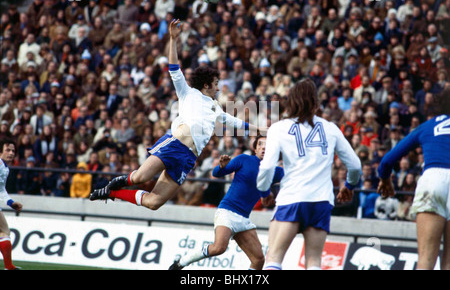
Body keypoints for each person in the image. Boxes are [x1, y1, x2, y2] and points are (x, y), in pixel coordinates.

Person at [90, 19, 264, 211]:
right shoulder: (188, 93)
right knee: (139, 178)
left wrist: (261, 129)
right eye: (215, 83)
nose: (217, 87)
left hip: (188, 158)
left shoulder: (216, 108)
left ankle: (111, 193)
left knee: (154, 202)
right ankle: (121, 180)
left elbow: (236, 122)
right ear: (206, 85)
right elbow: (174, 69)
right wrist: (173, 40)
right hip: (175, 144)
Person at [257, 79, 362, 270]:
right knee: (314, 261)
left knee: (273, 258)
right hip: (321, 201)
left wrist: (265, 193)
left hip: (292, 198)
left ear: (292, 102)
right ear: (315, 103)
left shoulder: (279, 128)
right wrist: (349, 186)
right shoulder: (331, 128)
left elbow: (266, 168)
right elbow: (355, 165)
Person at [169, 135, 284, 270]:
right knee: (219, 248)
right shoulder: (243, 159)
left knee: (258, 260)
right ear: (255, 149)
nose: (264, 148)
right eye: (260, 145)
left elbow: (295, 177)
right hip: (227, 212)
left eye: (267, 146)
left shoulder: (276, 171)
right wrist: (221, 167)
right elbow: (216, 173)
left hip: (244, 219)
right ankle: (181, 263)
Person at [377, 87, 450, 270]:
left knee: (425, 261)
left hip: (432, 180)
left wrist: (385, 179)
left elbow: (386, 161)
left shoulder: (428, 126)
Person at [0, 138, 23, 270]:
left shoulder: (5, 168)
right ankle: (9, 267)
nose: (11, 153)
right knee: (3, 231)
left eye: (13, 150)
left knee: (3, 232)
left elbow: (1, 190)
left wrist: (11, 203)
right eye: (7, 150)